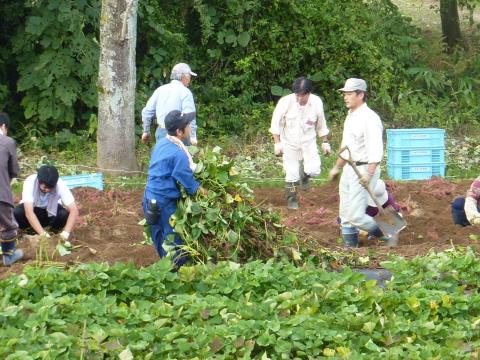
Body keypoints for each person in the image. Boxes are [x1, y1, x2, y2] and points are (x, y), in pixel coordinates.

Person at [143, 110, 206, 269]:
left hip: (149, 199)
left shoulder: (161, 144)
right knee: (174, 240)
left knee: (157, 235)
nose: (190, 127)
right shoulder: (178, 153)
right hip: (164, 203)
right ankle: (174, 275)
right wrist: (203, 191)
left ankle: (163, 268)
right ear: (179, 131)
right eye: (187, 125)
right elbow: (188, 182)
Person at [328, 78, 386, 247]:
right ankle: (350, 248)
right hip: (349, 168)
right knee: (345, 214)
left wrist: (369, 173)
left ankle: (386, 234)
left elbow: (376, 149)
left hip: (363, 169)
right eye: (344, 94)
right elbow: (346, 147)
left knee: (356, 216)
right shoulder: (351, 116)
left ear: (361, 95)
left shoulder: (370, 118)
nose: (346, 97)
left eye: (349, 94)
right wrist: (337, 167)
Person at [269, 76, 331, 210]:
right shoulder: (285, 102)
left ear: (309, 94)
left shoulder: (316, 102)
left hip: (309, 141)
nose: (299, 99)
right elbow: (275, 124)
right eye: (297, 95)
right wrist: (277, 143)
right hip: (289, 142)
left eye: (302, 96)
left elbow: (321, 125)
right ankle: (292, 199)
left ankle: (305, 176)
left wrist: (325, 142)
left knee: (314, 170)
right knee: (291, 173)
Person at [14, 165, 79, 240]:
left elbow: (74, 210)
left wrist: (66, 233)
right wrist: (42, 234)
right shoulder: (30, 182)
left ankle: (54, 231)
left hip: (51, 211)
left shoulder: (60, 184)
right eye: (45, 187)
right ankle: (29, 230)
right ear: (39, 181)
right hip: (34, 210)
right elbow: (29, 212)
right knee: (17, 213)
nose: (47, 190)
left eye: (50, 188)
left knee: (63, 214)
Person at [141, 63, 198, 146]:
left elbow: (147, 112)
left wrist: (146, 131)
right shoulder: (185, 92)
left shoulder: (160, 90)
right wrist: (193, 136)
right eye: (189, 77)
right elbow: (189, 115)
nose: (190, 80)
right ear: (184, 77)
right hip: (179, 135)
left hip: (161, 133)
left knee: (163, 157)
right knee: (181, 158)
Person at [0, 113, 23, 266]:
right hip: (1, 194)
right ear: (3, 127)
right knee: (9, 225)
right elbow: (14, 171)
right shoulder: (7, 142)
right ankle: (8, 256)